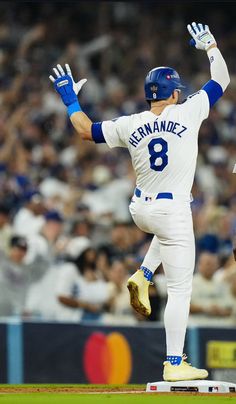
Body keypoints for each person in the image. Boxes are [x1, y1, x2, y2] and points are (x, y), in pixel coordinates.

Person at [49, 22, 230, 381]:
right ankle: (174, 363)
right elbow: (222, 79)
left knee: (167, 230)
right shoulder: (189, 111)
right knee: (180, 289)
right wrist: (210, 46)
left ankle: (143, 273)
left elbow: (85, 130)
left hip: (140, 210)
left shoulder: (130, 123)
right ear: (174, 94)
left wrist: (71, 100)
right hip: (171, 211)